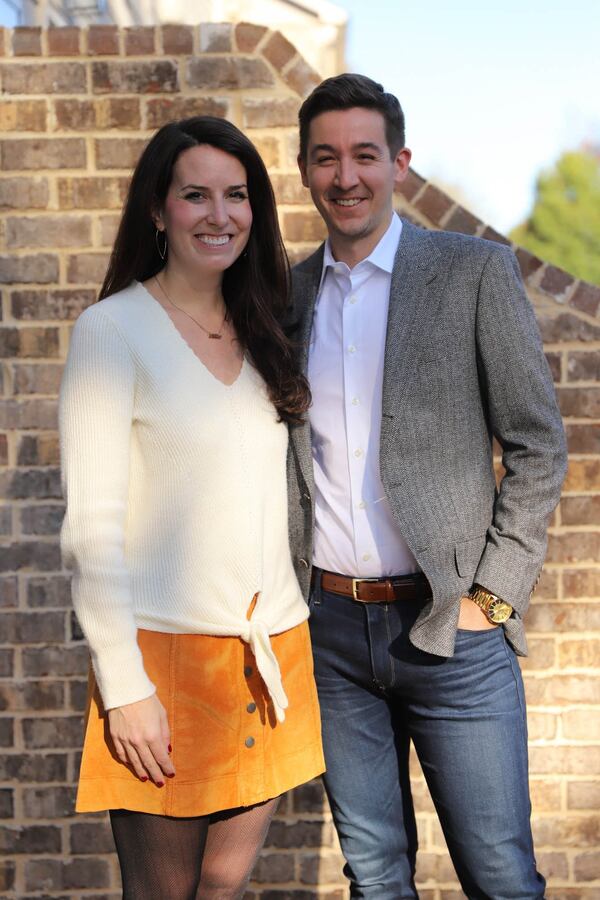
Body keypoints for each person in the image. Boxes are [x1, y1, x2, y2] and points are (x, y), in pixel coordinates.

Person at [286, 74, 567, 899]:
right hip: (331, 633)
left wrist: (496, 597)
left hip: (454, 628)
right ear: (304, 170)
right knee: (374, 878)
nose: (347, 176)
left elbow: (537, 443)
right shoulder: (286, 294)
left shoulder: (471, 273)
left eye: (365, 155)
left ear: (399, 163)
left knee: (501, 878)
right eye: (326, 158)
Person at [59, 115, 324, 900]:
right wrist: (124, 684)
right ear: (157, 210)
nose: (220, 214)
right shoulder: (111, 330)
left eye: (237, 195)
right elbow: (91, 528)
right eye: (196, 195)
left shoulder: (262, 327)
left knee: (224, 894)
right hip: (164, 665)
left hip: (271, 651)